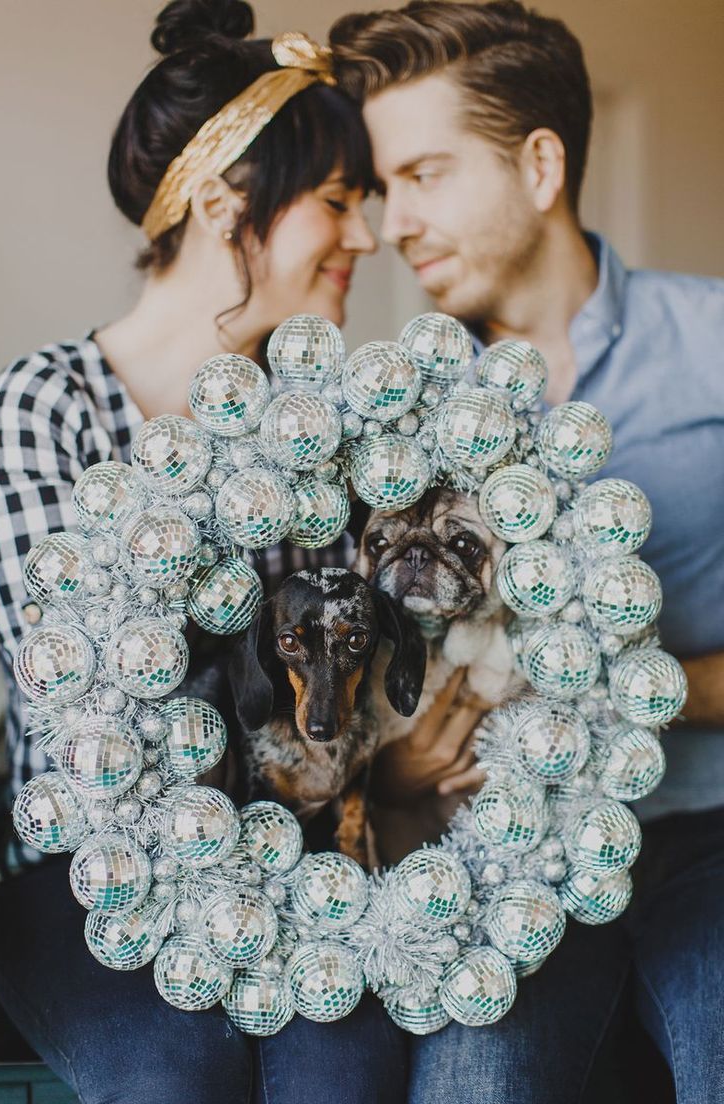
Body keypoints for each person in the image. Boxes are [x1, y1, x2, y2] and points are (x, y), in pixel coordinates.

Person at [0, 3, 410, 1102]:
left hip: (295, 869)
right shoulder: (50, 404)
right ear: (226, 203)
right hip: (98, 874)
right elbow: (70, 700)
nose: (365, 237)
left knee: (348, 1066)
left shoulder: (323, 425)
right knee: (174, 1074)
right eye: (335, 202)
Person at [330, 2, 724, 1102]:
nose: (392, 221)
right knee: (473, 1081)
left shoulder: (713, 349)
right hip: (494, 859)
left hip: (706, 833)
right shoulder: (382, 421)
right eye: (379, 185)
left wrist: (639, 692)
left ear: (540, 164)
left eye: (425, 174)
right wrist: (395, 769)